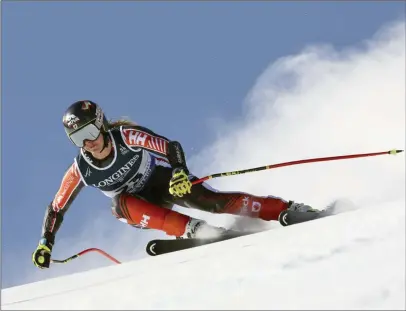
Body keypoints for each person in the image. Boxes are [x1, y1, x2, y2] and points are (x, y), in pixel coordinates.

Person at [32, 100, 317, 269]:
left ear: (102, 124)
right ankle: (194, 229)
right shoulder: (80, 169)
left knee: (211, 202)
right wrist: (46, 242)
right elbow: (56, 208)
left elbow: (169, 146)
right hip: (139, 207)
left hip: (163, 183)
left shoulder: (126, 136)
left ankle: (285, 208)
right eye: (78, 138)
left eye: (91, 131)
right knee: (118, 206)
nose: (89, 142)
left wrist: (180, 171)